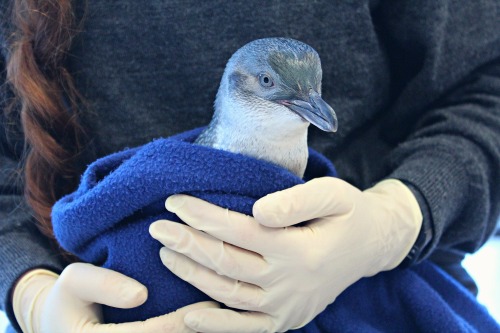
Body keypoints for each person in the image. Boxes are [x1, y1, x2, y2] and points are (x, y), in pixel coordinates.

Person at [1, 0, 499, 332]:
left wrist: (393, 221)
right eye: (267, 85)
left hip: (377, 291)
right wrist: (33, 296)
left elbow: (486, 82)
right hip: (110, 307)